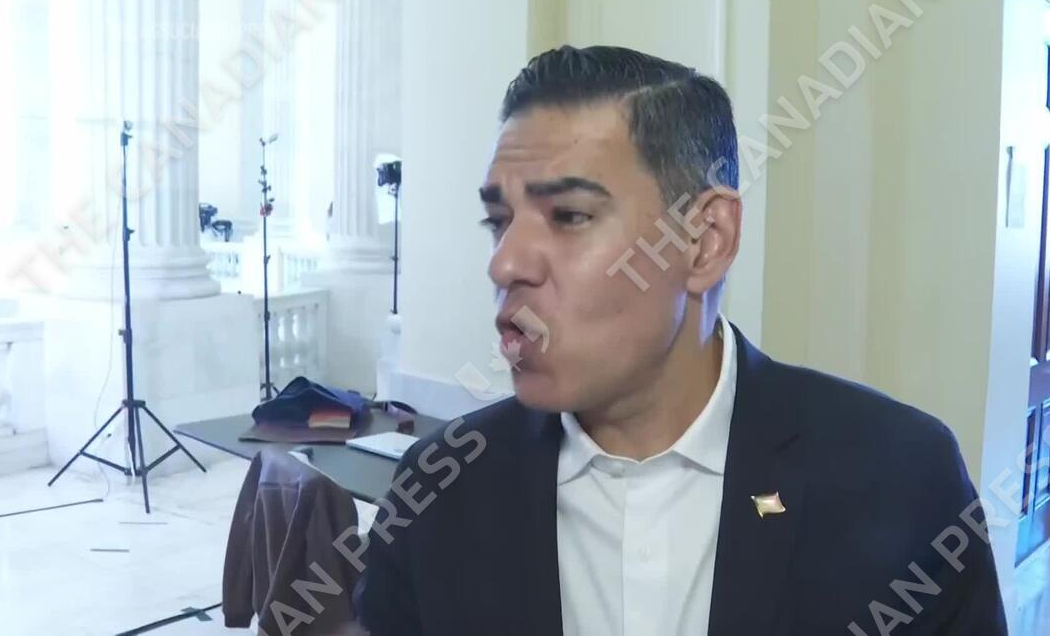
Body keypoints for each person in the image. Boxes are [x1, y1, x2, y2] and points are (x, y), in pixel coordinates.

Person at [355, 45, 1007, 635]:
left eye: (570, 216)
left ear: (706, 241)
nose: (505, 263)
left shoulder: (900, 479)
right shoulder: (435, 495)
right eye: (499, 221)